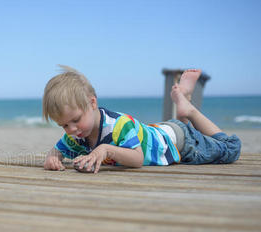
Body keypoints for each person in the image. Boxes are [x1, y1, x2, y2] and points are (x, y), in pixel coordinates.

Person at [43, 65, 241, 173]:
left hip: (181, 143)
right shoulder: (76, 134)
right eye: (64, 125)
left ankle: (189, 110)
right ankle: (183, 109)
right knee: (183, 127)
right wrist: (53, 159)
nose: (71, 129)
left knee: (231, 147)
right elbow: (56, 150)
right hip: (160, 131)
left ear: (92, 103)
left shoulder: (119, 124)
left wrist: (105, 149)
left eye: (75, 120)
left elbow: (137, 159)